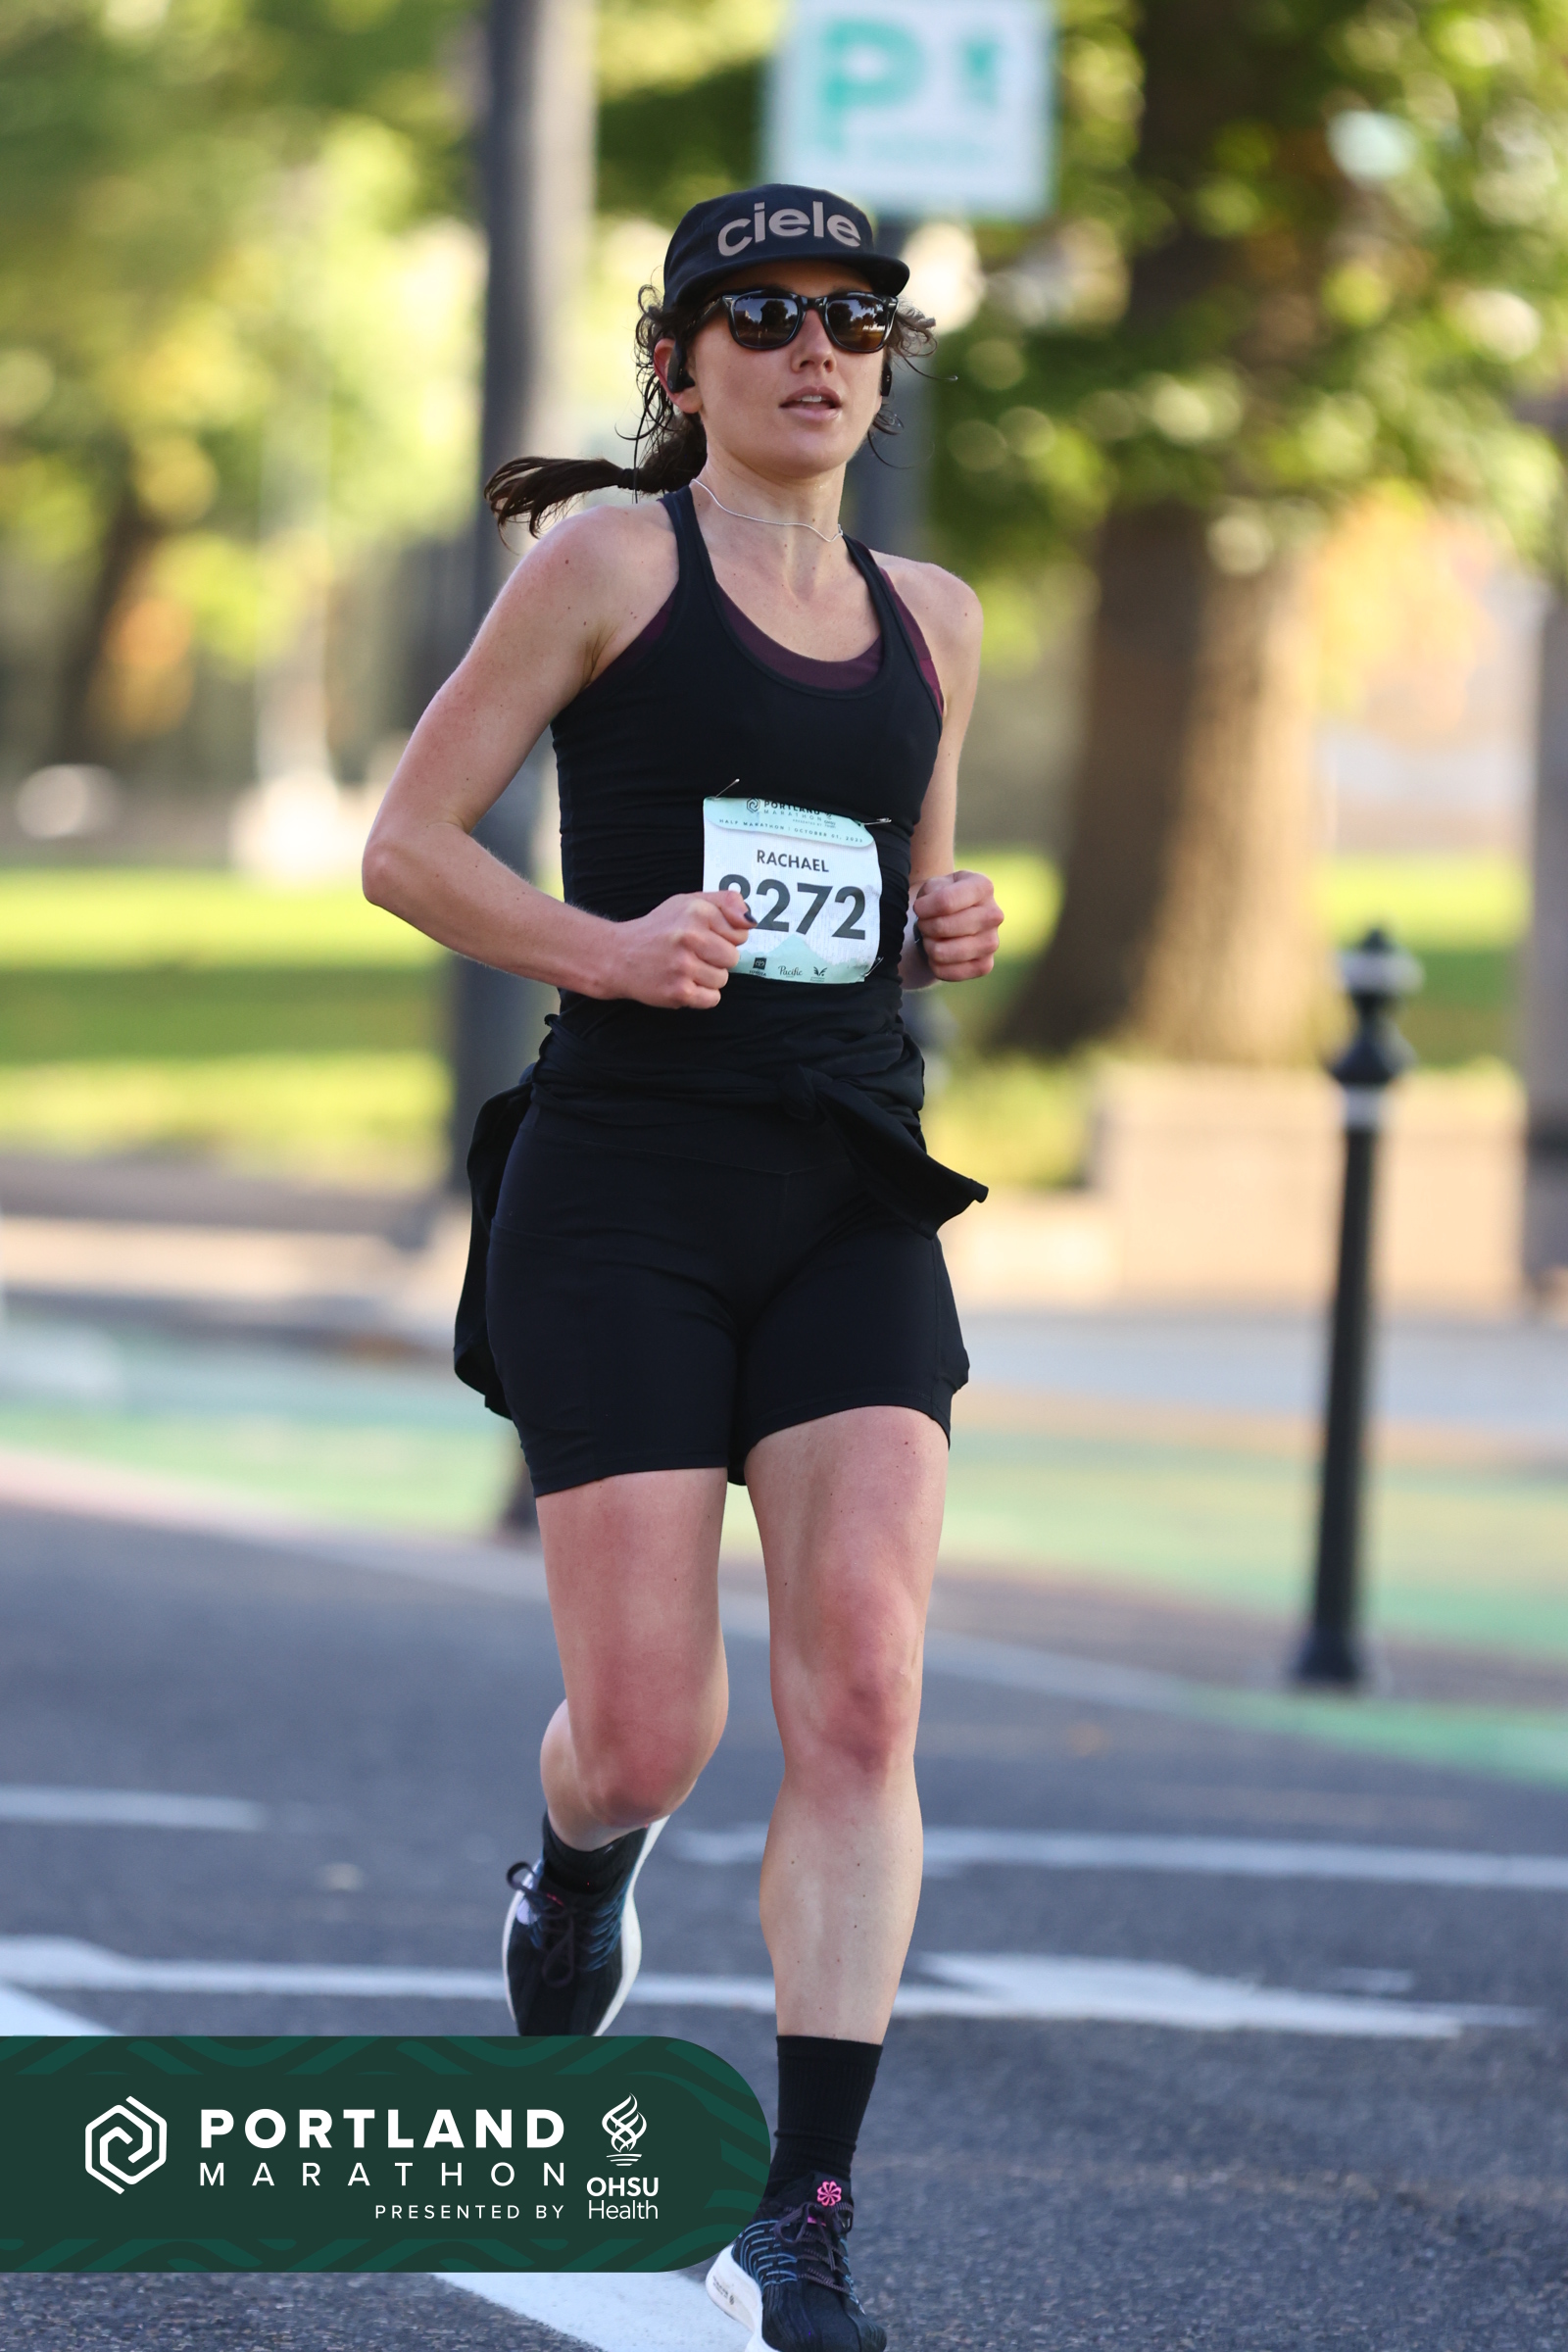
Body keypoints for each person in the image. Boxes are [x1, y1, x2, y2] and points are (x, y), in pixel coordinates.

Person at [364, 182, 1004, 2352]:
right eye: (762, 315)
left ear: (882, 366)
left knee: (865, 1687)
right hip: (627, 1190)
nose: (814, 348)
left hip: (847, 1189)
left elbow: (896, 900)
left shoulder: (935, 618)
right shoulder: (608, 563)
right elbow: (408, 847)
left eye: (852, 319)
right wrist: (604, 949)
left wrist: (948, 922)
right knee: (648, 1736)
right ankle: (578, 1864)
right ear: (680, 362)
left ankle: (800, 2215)